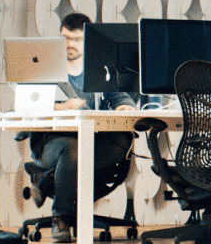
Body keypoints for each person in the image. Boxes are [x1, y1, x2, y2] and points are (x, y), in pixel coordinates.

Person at [26, 12, 137, 243]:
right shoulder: (46, 65)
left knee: (121, 141)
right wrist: (61, 107)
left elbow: (121, 97)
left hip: (94, 140)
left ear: (88, 40)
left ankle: (47, 180)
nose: (69, 44)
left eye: (76, 39)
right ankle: (61, 218)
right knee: (73, 151)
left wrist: (125, 106)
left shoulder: (101, 67)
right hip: (52, 141)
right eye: (65, 38)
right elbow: (28, 103)